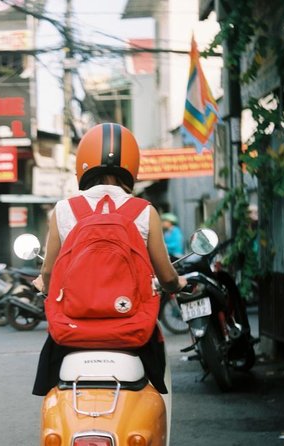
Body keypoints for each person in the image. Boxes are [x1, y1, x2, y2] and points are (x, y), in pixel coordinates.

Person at [32, 123, 187, 398]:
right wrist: (178, 283)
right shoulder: (144, 211)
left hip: (72, 327)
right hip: (132, 327)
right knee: (157, 385)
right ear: (132, 166)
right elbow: (166, 276)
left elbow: (49, 270)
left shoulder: (64, 210)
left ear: (83, 164)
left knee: (52, 384)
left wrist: (45, 283)